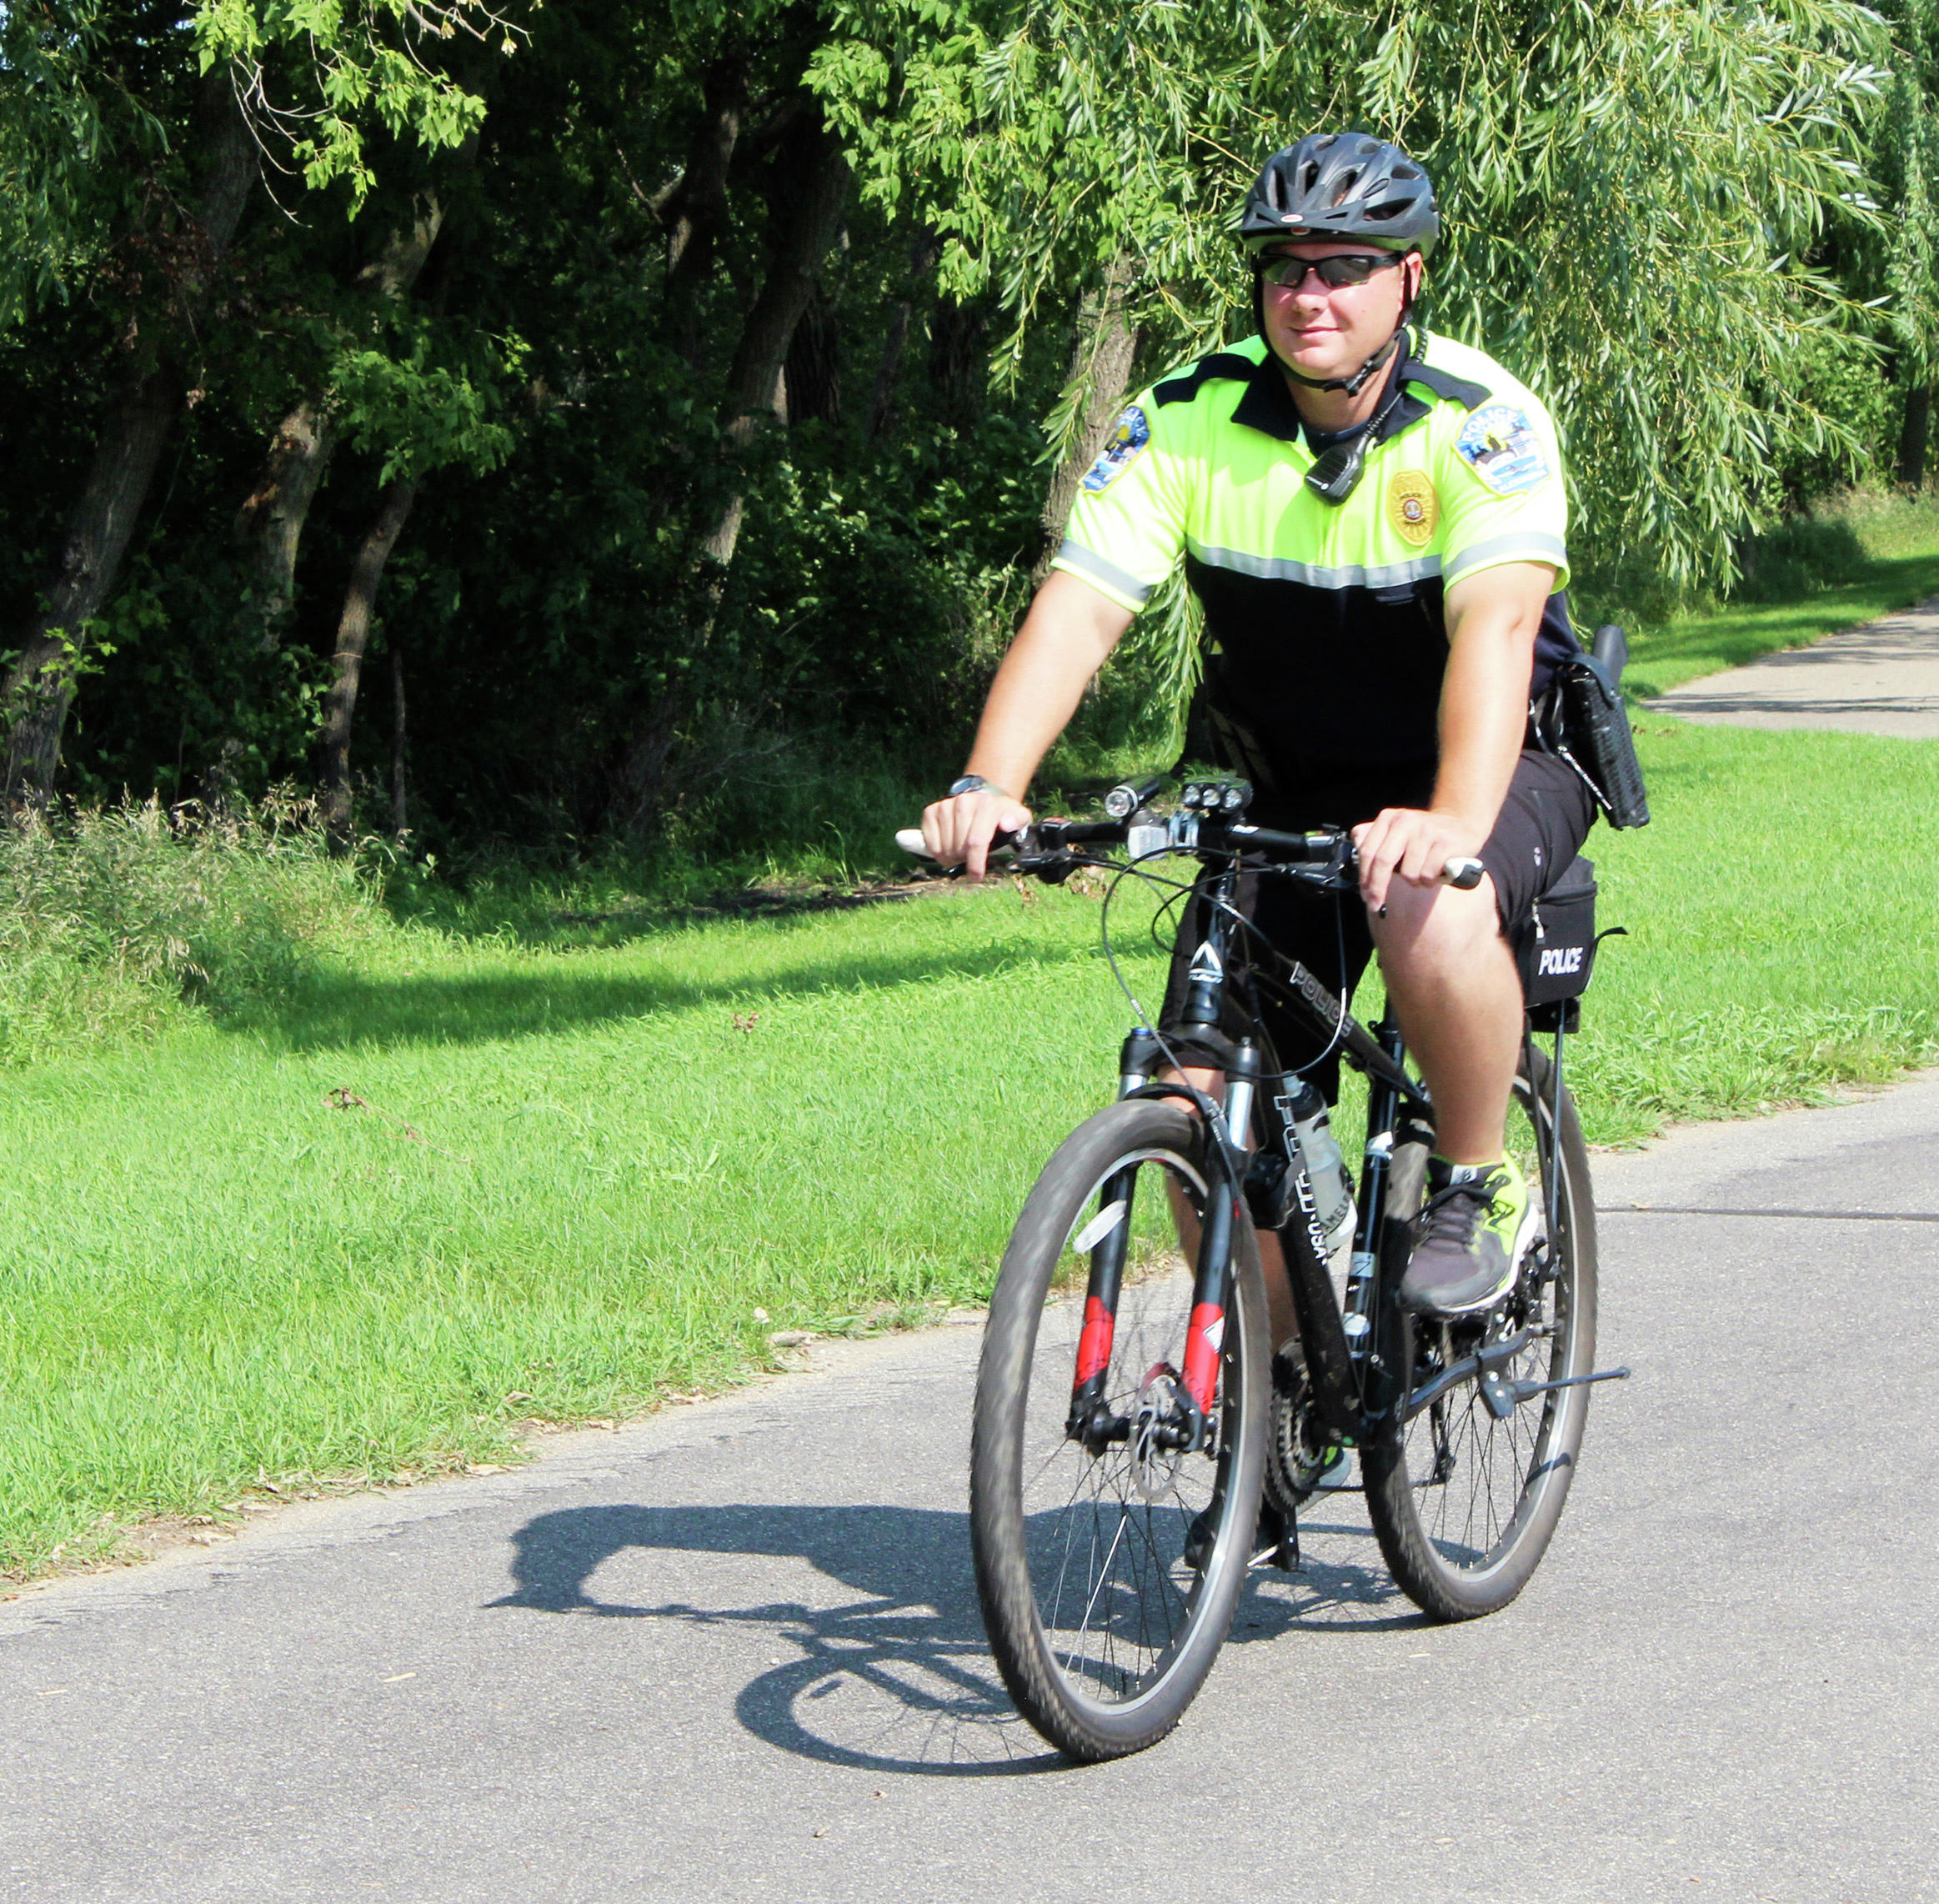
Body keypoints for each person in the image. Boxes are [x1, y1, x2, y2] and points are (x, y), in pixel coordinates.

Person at [919, 130, 1596, 1322]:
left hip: (1492, 758)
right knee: (1194, 1096)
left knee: (1426, 902)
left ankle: (1479, 1177)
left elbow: (1494, 633)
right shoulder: (1186, 419)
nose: (1309, 292)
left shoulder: (1478, 422)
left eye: (1345, 265)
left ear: (1409, 279)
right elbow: (1074, 618)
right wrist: (990, 782)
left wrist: (1446, 819)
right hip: (1285, 780)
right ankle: (1275, 1405)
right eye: (1284, 266)